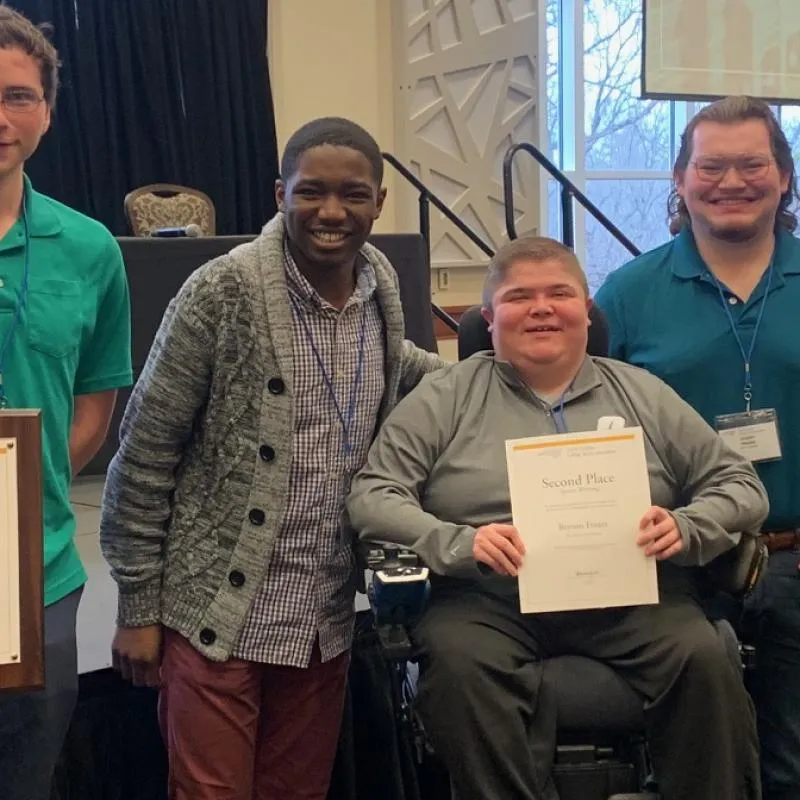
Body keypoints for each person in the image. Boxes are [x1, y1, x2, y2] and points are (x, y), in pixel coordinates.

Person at [99, 116, 447, 799]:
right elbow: (142, 454)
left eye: (353, 194)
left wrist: (510, 368)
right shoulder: (219, 293)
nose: (331, 211)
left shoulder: (380, 290)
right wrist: (137, 607)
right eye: (311, 191)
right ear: (279, 193)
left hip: (321, 616)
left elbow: (400, 367)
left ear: (379, 202)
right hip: (216, 612)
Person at [346, 235, 766, 800]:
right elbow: (373, 495)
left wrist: (688, 527)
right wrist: (457, 542)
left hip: (634, 593)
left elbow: (741, 485)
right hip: (488, 598)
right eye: (520, 297)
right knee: (458, 667)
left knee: (705, 657)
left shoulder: (644, 393)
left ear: (587, 314)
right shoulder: (443, 397)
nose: (542, 308)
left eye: (559, 293)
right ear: (489, 320)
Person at [594, 95, 800, 800]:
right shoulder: (626, 294)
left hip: (796, 556)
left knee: (790, 766)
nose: (732, 181)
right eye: (711, 165)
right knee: (694, 766)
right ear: (680, 181)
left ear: (784, 178)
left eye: (753, 164)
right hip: (672, 570)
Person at [0, 7, 133, 800]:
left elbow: (94, 406)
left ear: (48, 111)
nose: (0, 117)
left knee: (23, 772)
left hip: (38, 570)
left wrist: (24, 492)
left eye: (18, 96)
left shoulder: (90, 250)